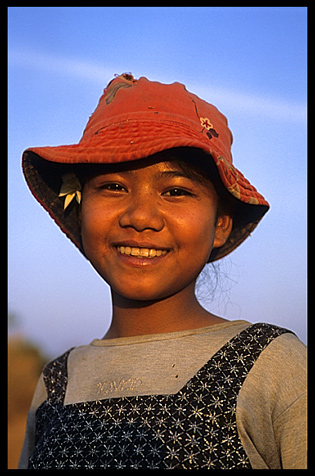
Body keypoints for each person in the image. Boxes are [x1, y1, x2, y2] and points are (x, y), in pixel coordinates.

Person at [18, 74, 307, 469]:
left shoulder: (272, 367)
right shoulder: (57, 382)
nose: (140, 217)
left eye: (176, 191)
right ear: (80, 210)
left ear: (220, 223)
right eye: (113, 187)